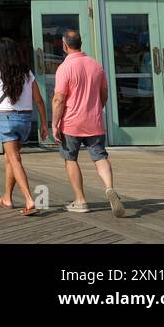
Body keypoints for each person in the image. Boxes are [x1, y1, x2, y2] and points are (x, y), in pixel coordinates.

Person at [52, 29, 125, 217]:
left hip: (71, 123)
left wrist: (54, 123)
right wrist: (97, 108)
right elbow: (104, 93)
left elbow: (59, 99)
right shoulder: (96, 65)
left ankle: (80, 200)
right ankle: (109, 187)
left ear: (64, 45)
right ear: (80, 43)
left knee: (70, 159)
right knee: (100, 157)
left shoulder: (65, 68)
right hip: (94, 121)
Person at [0, 38, 49, 216]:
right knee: (11, 158)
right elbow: (39, 100)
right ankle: (7, 198)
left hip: (5, 117)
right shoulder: (26, 71)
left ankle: (29, 199)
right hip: (25, 118)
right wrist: (43, 123)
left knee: (15, 160)